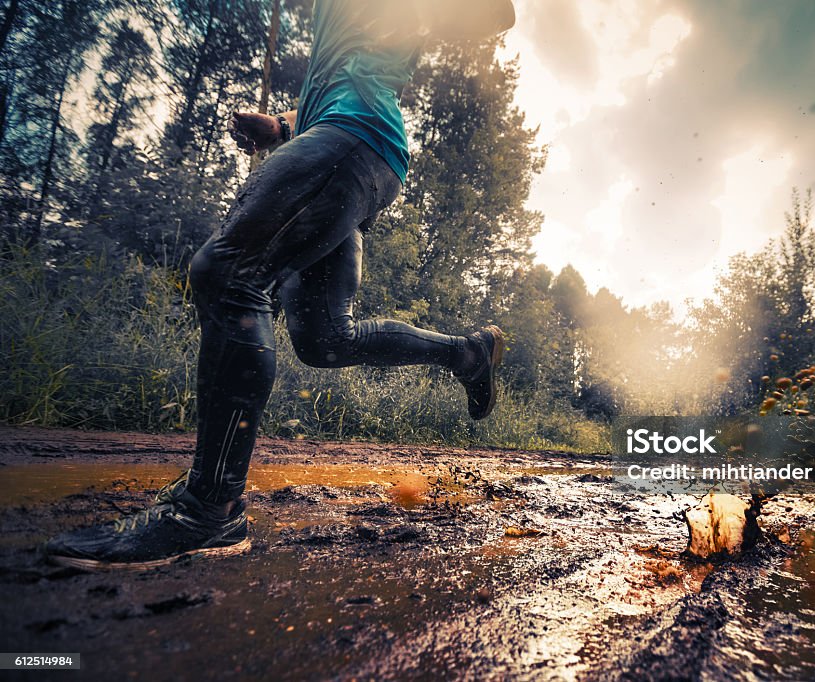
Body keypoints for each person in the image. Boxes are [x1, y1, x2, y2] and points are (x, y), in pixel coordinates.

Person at [43, 0, 516, 571]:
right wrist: (284, 128)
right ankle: (465, 354)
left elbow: (496, 12)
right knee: (324, 340)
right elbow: (345, 71)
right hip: (347, 144)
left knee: (228, 273)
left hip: (356, 138)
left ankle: (208, 509)